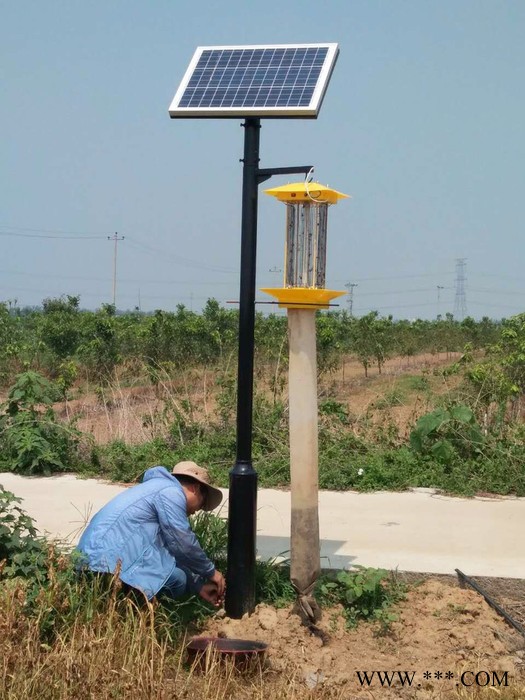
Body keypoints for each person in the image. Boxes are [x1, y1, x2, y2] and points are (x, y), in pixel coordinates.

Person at [76, 461, 226, 606]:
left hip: (89, 561)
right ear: (195, 488)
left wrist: (199, 586)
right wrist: (211, 572)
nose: (195, 512)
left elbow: (170, 552)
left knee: (171, 571)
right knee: (177, 580)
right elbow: (183, 542)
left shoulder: (154, 488)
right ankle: (137, 616)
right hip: (104, 563)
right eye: (201, 504)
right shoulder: (171, 493)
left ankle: (120, 610)